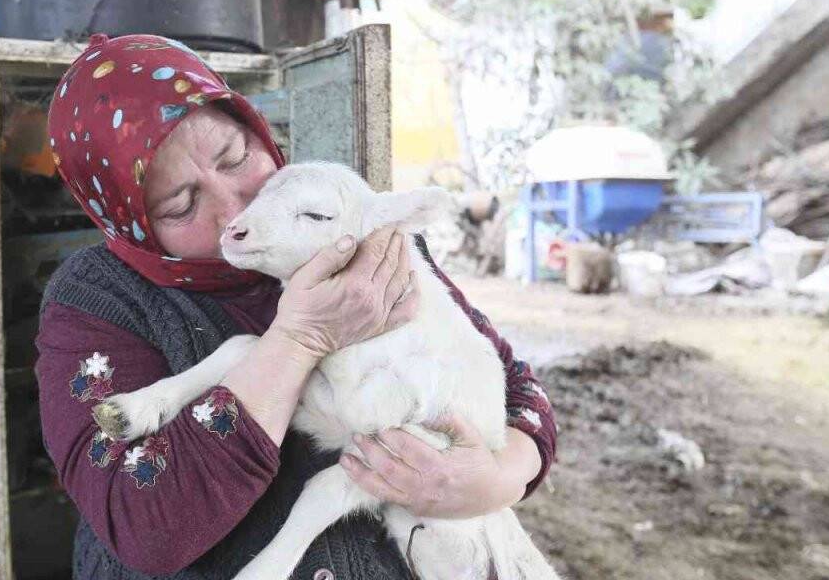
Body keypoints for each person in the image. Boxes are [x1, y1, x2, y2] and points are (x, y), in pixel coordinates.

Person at [34, 33, 557, 579]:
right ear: (132, 223)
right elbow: (143, 525)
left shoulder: (353, 229)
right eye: (182, 204)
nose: (236, 205)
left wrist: (496, 480)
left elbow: (512, 384)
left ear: (258, 130)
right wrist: (299, 340)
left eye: (236, 158)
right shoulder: (97, 299)